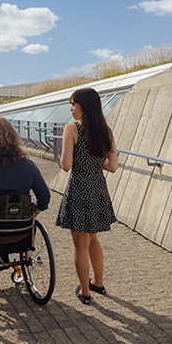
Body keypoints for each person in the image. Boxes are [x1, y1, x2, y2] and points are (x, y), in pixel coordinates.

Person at [55, 88, 118, 305]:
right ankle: (98, 282)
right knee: (93, 240)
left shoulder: (72, 130)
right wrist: (95, 161)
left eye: (74, 104)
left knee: (80, 245)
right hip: (98, 188)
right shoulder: (106, 131)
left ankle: (85, 291)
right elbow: (113, 167)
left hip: (80, 188)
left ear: (84, 105)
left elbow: (66, 166)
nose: (71, 109)